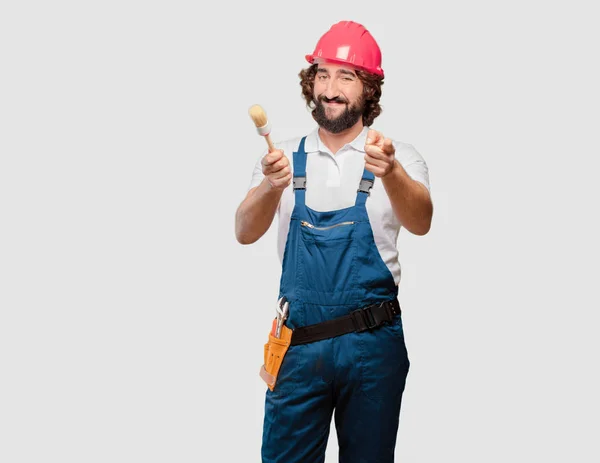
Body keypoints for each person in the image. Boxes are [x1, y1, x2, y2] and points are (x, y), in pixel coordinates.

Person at [235, 20, 433, 463]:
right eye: (322, 74)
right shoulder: (280, 157)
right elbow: (244, 232)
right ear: (311, 83)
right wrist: (270, 187)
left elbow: (421, 222)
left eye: (346, 76)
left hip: (373, 343)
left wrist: (393, 172)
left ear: (369, 88)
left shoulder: (398, 155)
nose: (330, 87)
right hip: (298, 345)